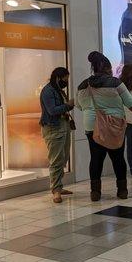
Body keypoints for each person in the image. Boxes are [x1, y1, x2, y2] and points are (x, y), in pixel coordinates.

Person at [76, 51, 132, 202]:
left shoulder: (83, 85)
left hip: (92, 126)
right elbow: (130, 103)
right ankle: (122, 190)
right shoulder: (115, 83)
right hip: (113, 125)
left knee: (96, 159)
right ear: (108, 68)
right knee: (117, 158)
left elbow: (79, 105)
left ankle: (95, 192)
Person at [40, 67, 74, 204]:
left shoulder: (57, 90)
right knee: (56, 159)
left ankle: (59, 185)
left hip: (62, 125)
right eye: (65, 79)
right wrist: (68, 105)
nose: (66, 82)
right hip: (53, 128)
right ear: (58, 78)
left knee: (63, 157)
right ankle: (56, 190)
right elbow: (52, 110)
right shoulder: (48, 91)